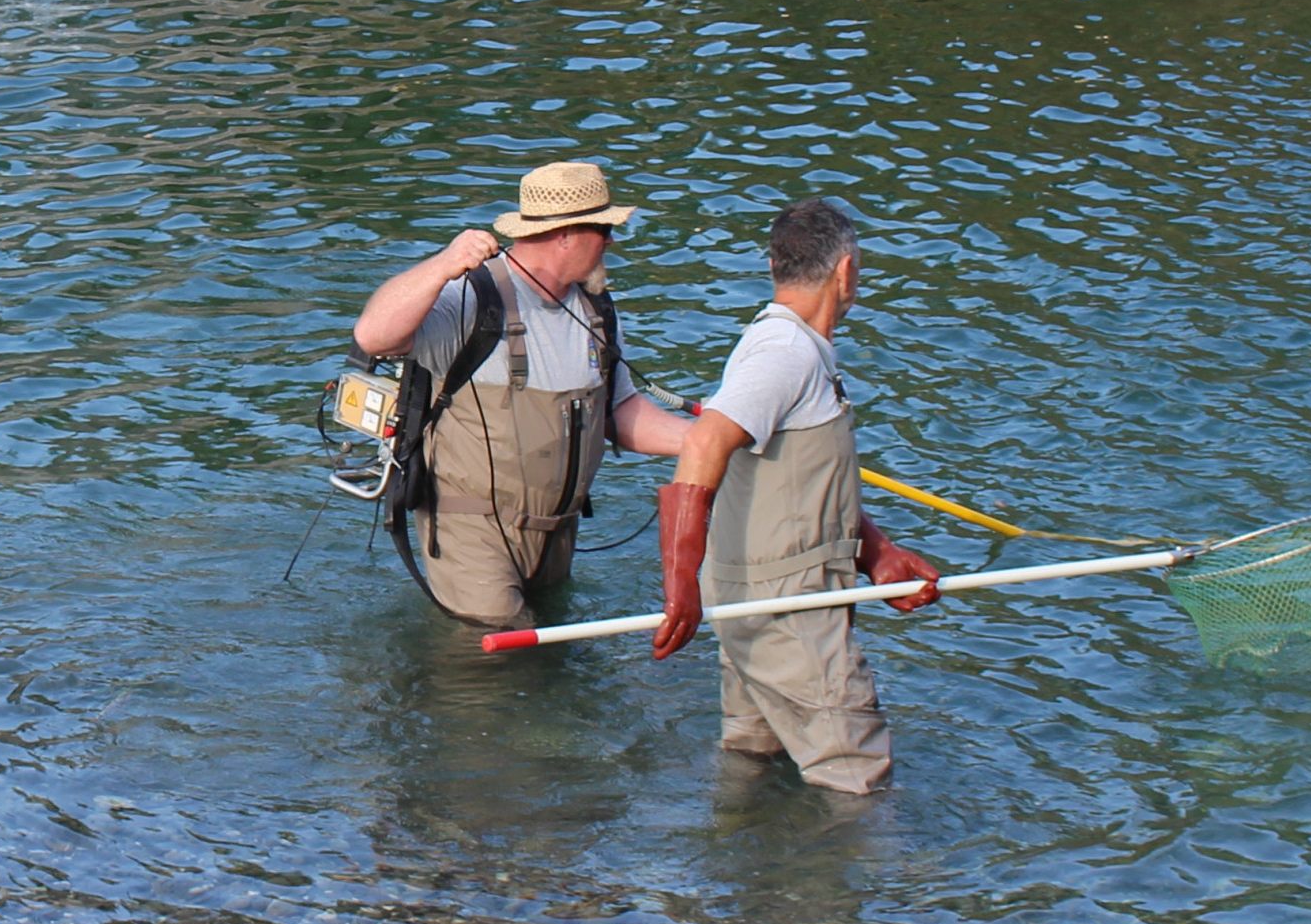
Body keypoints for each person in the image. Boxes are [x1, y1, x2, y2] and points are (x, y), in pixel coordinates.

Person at [652, 198, 944, 794]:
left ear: (773, 266)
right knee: (857, 781)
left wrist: (876, 552)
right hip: (791, 615)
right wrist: (678, 581)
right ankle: (864, 888)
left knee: (754, 764)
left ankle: (738, 878)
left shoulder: (788, 347)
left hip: (755, 604)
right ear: (847, 271)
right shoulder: (785, 354)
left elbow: (795, 477)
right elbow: (705, 443)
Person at [350, 161, 701, 627]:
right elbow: (373, 337)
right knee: (493, 670)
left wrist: (705, 440)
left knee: (551, 660)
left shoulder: (596, 308)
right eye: (605, 231)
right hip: (472, 532)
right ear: (567, 235)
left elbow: (617, 412)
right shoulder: (472, 298)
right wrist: (442, 264)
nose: (611, 243)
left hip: (557, 534)